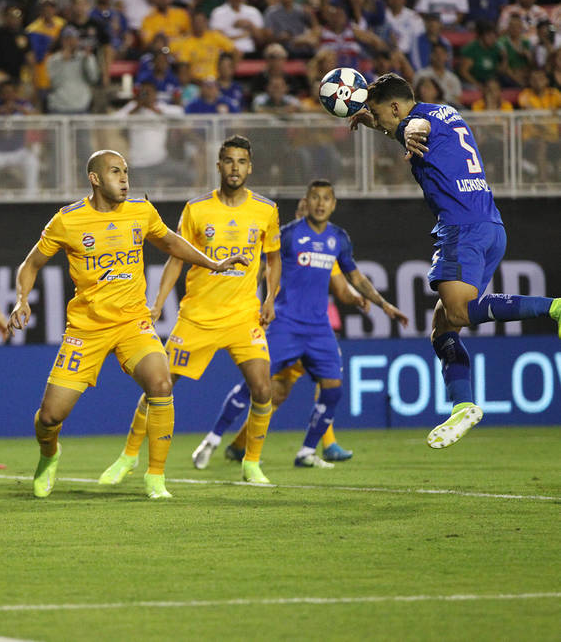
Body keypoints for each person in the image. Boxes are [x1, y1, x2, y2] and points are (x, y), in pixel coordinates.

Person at [7, 150, 249, 499]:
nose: (124, 178)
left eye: (126, 172)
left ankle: (155, 477)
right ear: (95, 178)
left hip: (133, 322)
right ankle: (49, 455)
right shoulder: (67, 220)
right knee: (49, 416)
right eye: (116, 172)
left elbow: (168, 240)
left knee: (161, 383)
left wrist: (213, 263)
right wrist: (21, 299)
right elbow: (30, 265)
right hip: (86, 329)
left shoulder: (141, 210)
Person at [351, 73, 561, 448]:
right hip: (490, 225)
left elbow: (413, 126)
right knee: (443, 328)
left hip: (461, 227)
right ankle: (463, 405)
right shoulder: (445, 113)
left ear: (396, 107)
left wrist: (403, 128)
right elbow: (411, 125)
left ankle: (555, 308)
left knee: (459, 313)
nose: (375, 116)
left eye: (379, 111)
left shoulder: (417, 122)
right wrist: (380, 127)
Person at [99, 135, 282, 486]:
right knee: (159, 386)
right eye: (228, 161)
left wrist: (271, 296)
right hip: (198, 316)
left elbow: (273, 258)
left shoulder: (266, 210)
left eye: (241, 161)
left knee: (263, 390)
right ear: (218, 165)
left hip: (244, 316)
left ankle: (252, 463)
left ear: (250, 167)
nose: (235, 168)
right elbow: (175, 259)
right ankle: (128, 455)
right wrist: (157, 303)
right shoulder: (198, 209)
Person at [197, 182, 408, 469]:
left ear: (333, 205)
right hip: (286, 325)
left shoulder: (338, 239)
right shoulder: (289, 235)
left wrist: (384, 305)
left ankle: (308, 451)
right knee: (256, 384)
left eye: (326, 199)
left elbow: (355, 279)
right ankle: (213, 438)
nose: (320, 204)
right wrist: (248, 301)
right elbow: (261, 267)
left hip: (319, 329)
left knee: (332, 388)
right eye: (315, 198)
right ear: (306, 202)